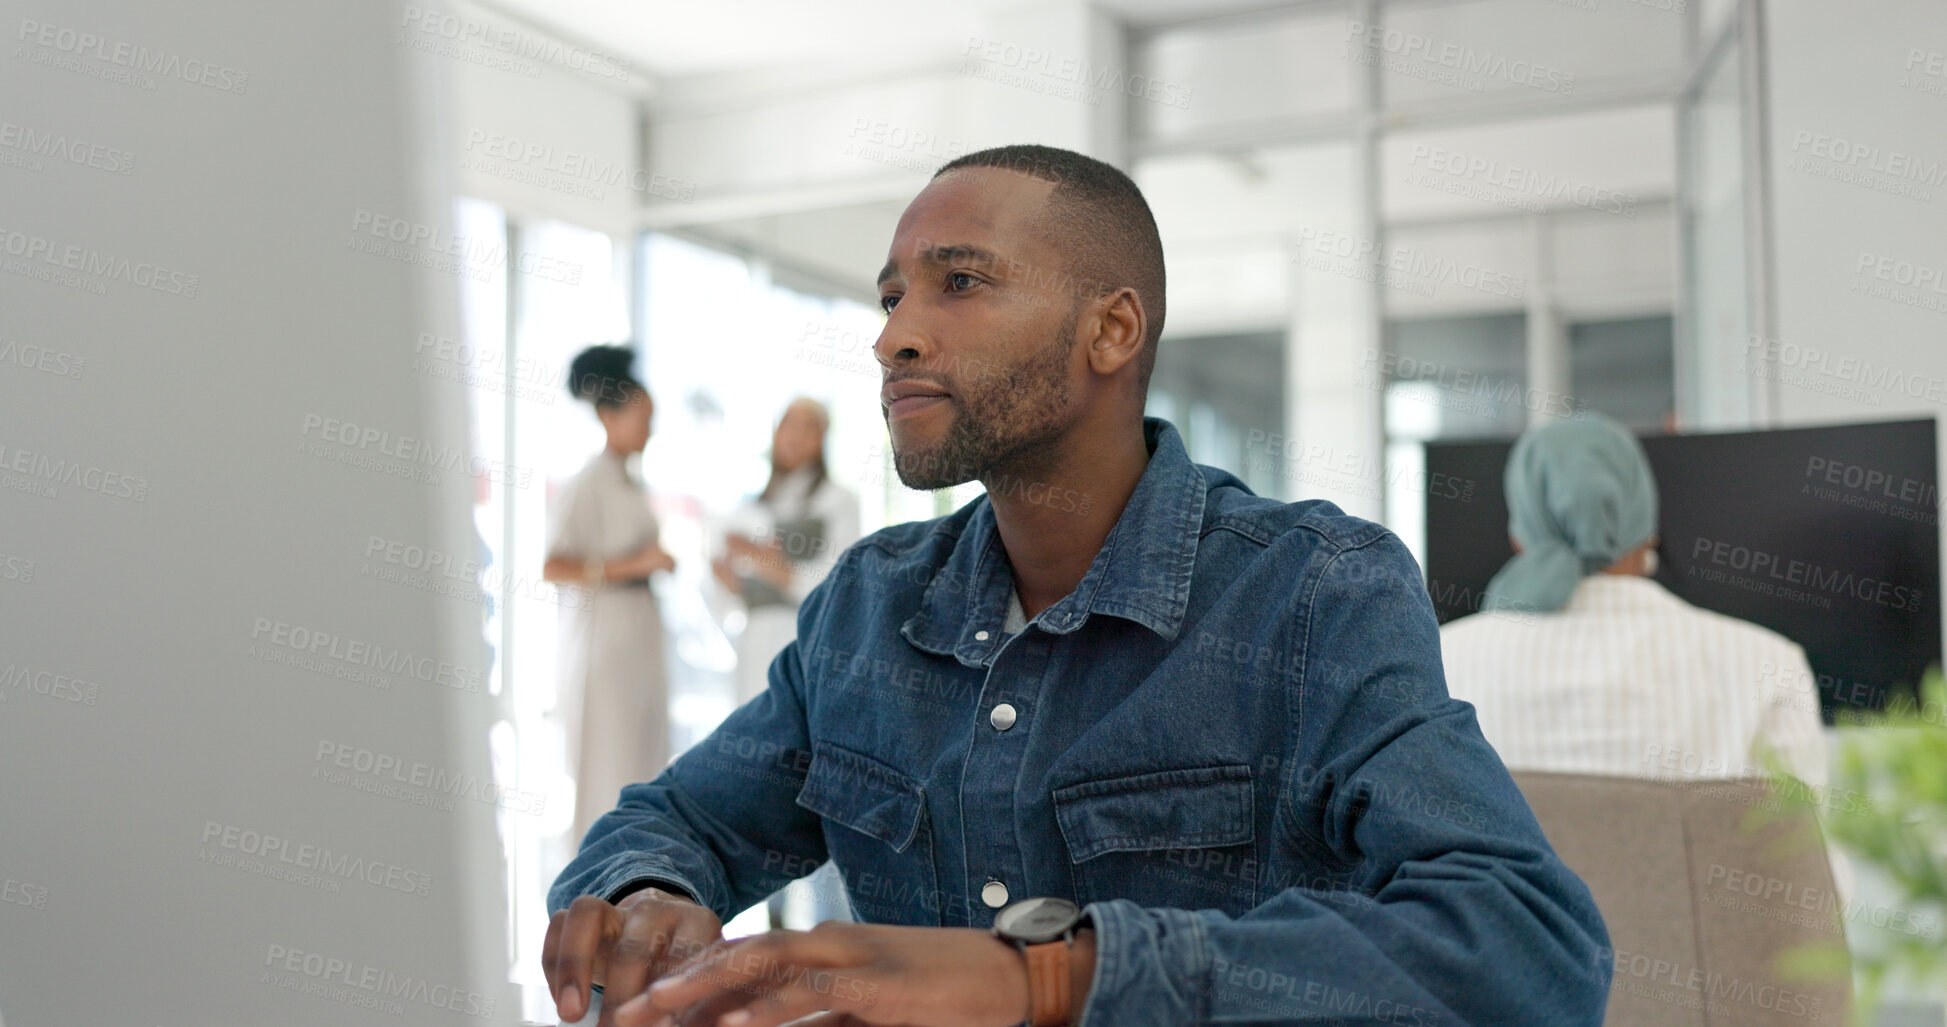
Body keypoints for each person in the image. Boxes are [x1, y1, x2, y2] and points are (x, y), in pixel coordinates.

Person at [543, 145, 1610, 1027]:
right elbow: (674, 821)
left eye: (959, 282)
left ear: (1113, 329)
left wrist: (1048, 976)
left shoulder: (1314, 595)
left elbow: (1529, 949)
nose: (894, 334)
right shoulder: (868, 607)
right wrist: (649, 899)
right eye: (891, 295)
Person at [1439, 414, 1831, 794]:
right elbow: (1801, 850)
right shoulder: (1770, 664)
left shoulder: (1437, 663)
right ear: (1647, 534)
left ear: (1520, 536)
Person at [542, 345, 678, 847]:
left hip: (637, 636)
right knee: (607, 767)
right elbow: (553, 564)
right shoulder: (587, 484)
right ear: (608, 416)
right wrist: (634, 565)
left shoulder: (629, 483)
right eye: (642, 418)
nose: (649, 430)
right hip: (604, 639)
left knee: (642, 766)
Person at [714, 398, 861, 708]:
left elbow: (838, 584)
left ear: (822, 438)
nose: (794, 436)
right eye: (788, 425)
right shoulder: (750, 507)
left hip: (802, 639)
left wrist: (766, 563)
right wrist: (727, 582)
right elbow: (728, 602)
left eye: (807, 427)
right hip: (753, 643)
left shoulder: (838, 500)